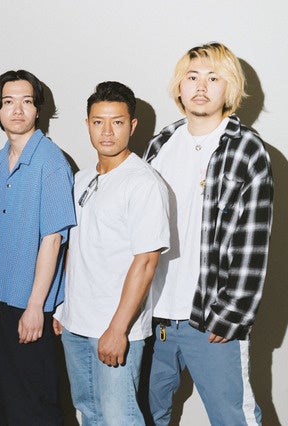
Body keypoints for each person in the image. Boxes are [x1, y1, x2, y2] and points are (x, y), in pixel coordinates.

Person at [144, 42, 273, 425]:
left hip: (209, 317)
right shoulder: (160, 145)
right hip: (154, 316)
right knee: (146, 415)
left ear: (229, 87)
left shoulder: (247, 150)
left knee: (234, 418)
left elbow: (253, 240)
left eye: (214, 78)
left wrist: (233, 312)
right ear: (179, 86)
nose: (201, 86)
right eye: (192, 76)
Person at [53, 81, 170, 425]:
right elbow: (77, 247)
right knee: (89, 414)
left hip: (116, 327)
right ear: (87, 124)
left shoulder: (144, 183)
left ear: (132, 126)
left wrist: (118, 329)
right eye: (98, 121)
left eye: (117, 122)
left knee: (120, 419)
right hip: (76, 323)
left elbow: (146, 261)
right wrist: (64, 307)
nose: (107, 131)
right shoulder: (81, 179)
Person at [0, 70, 76, 425]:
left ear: (38, 109)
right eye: (8, 102)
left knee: (34, 407)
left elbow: (53, 239)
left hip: (30, 304)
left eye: (26, 101)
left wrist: (36, 306)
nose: (17, 110)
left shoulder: (51, 163)